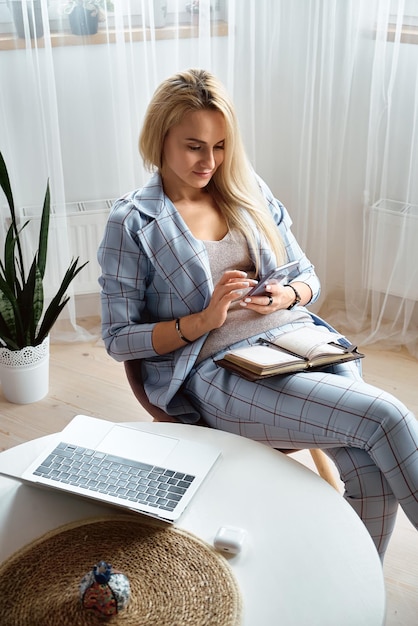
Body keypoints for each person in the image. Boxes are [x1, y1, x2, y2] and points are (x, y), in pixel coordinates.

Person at [98, 68, 418, 560]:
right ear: (159, 138)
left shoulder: (246, 191)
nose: (210, 161)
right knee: (386, 416)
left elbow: (308, 276)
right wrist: (204, 320)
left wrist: (285, 296)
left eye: (221, 145)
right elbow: (120, 338)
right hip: (220, 370)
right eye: (194, 146)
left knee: (367, 463)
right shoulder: (133, 222)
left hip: (301, 345)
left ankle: (357, 592)